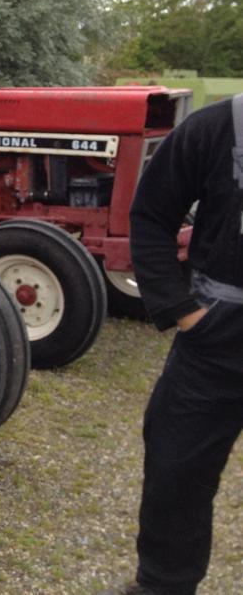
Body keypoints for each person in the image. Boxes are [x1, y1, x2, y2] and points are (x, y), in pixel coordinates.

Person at [103, 93, 243, 595]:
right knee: (175, 466)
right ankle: (164, 585)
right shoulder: (216, 128)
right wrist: (184, 312)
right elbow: (151, 215)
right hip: (218, 340)